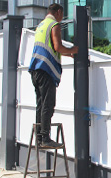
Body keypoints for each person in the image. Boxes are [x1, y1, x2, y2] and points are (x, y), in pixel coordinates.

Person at [29, 3, 79, 148]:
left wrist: (68, 53)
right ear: (58, 12)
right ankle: (45, 137)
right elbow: (57, 46)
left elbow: (51, 47)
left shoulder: (41, 26)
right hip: (46, 70)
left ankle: (39, 137)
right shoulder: (54, 25)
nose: (61, 18)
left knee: (40, 104)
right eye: (62, 15)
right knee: (48, 104)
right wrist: (74, 49)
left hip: (36, 70)